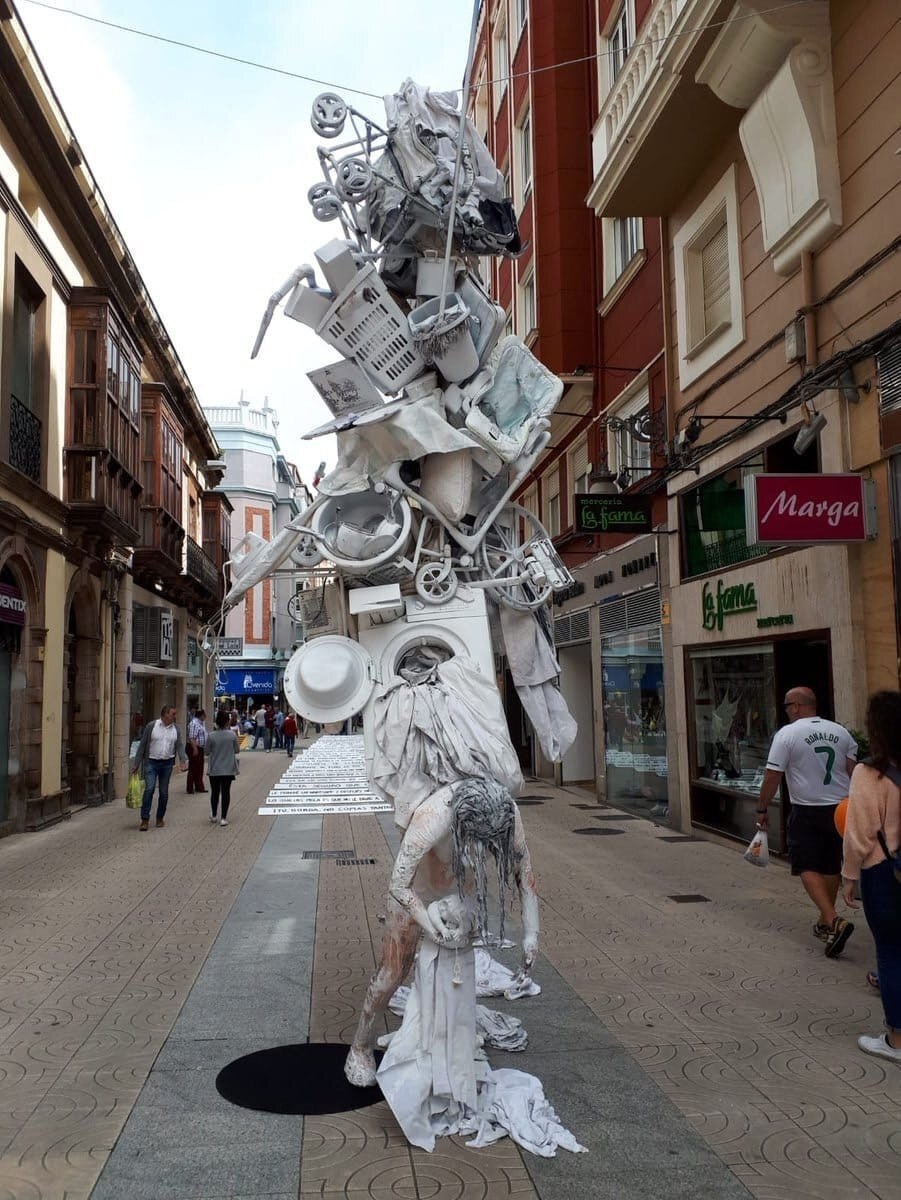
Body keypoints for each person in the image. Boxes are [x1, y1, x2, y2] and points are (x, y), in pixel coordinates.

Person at [344, 777, 538, 1087]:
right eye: (476, 844)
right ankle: (360, 1045)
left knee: (456, 974)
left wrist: (532, 935)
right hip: (415, 891)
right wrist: (431, 928)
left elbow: (524, 871)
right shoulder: (434, 817)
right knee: (393, 970)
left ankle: (446, 1044)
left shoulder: (506, 817)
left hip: (461, 891)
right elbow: (398, 885)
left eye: (487, 847)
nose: (481, 853)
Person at [757, 686, 857, 957]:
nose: (787, 711)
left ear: (798, 706)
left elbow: (772, 775)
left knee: (805, 863)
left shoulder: (787, 734)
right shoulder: (841, 732)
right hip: (840, 809)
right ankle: (827, 922)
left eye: (788, 706)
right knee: (829, 863)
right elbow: (853, 772)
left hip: (807, 808)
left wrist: (762, 808)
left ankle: (834, 918)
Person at [841, 690, 901, 1062]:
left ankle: (896, 1040)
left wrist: (849, 875)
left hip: (885, 872)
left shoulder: (870, 772)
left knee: (892, 953)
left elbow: (859, 830)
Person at [133, 705, 188, 831]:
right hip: (151, 762)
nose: (175, 716)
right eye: (173, 714)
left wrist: (183, 760)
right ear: (165, 714)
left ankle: (159, 818)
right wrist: (136, 764)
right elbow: (142, 745)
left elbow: (179, 745)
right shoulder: (151, 726)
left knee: (163, 793)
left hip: (167, 764)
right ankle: (145, 819)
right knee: (149, 789)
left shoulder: (176, 730)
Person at [206, 708, 240, 827]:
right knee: (226, 792)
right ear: (227, 722)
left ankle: (214, 815)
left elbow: (206, 751)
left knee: (215, 792)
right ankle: (224, 818)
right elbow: (237, 750)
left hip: (215, 769)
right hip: (228, 768)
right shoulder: (231, 735)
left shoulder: (211, 735)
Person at [186, 708, 208, 794]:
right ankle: (190, 788)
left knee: (199, 768)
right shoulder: (194, 724)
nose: (205, 717)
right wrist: (195, 749)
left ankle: (199, 786)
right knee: (193, 768)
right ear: (201, 715)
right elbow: (192, 737)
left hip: (199, 748)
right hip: (194, 747)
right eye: (204, 715)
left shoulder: (200, 723)